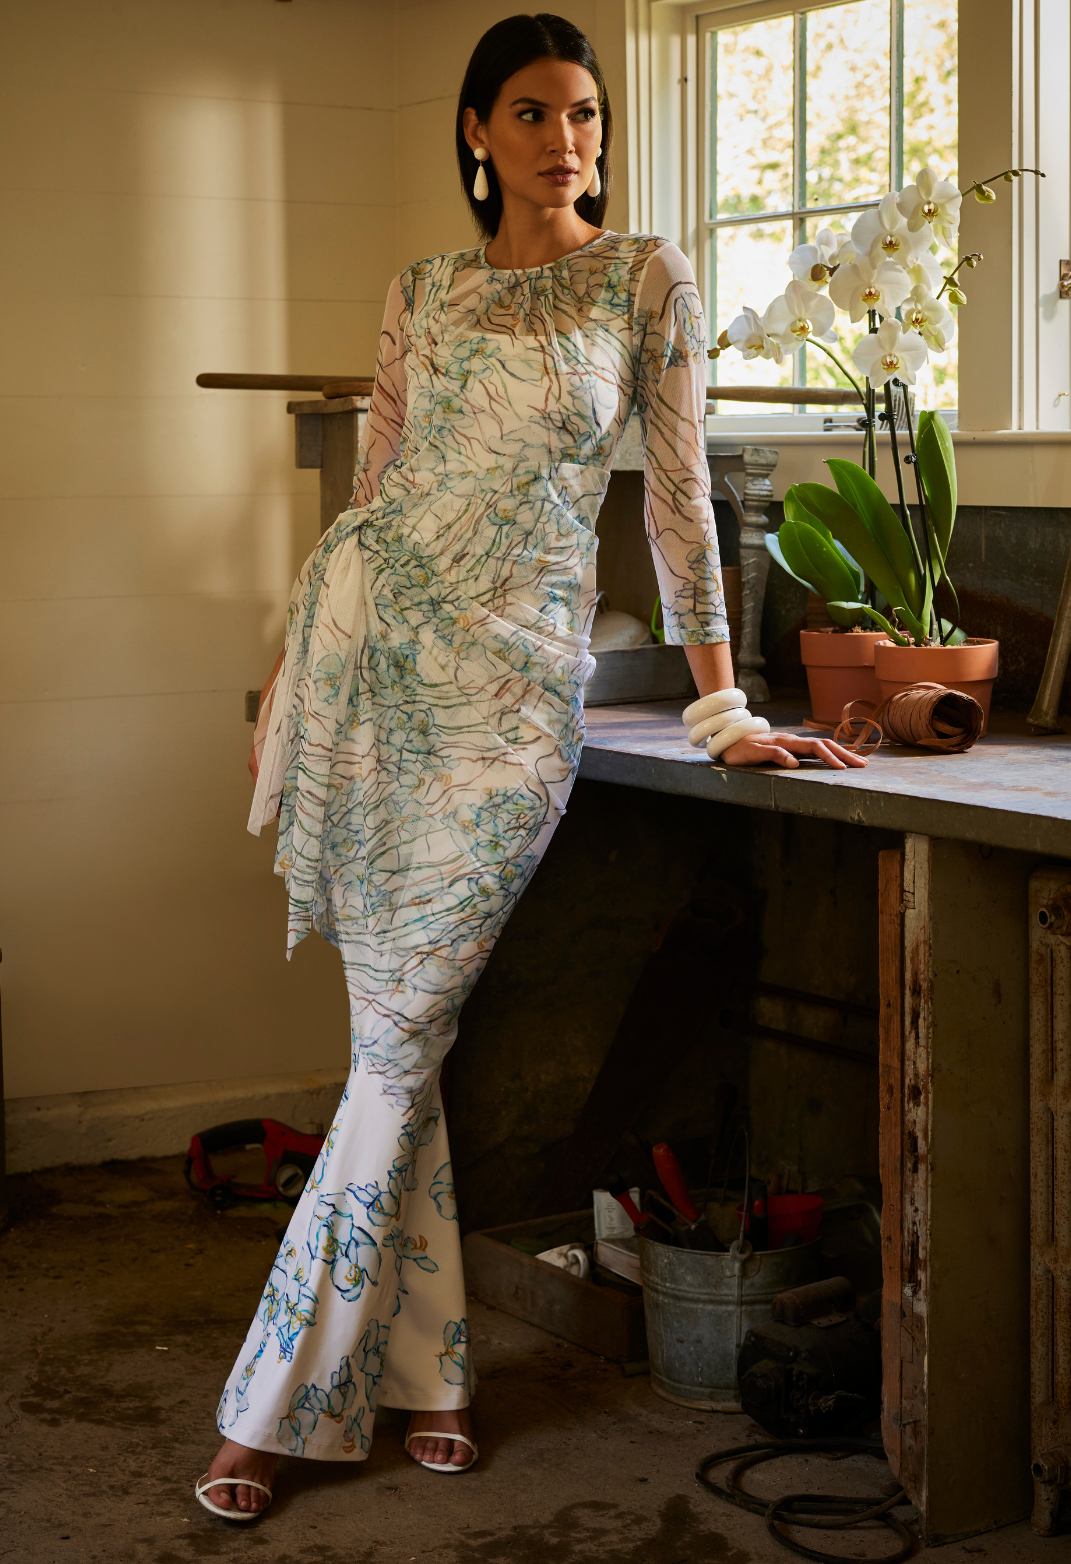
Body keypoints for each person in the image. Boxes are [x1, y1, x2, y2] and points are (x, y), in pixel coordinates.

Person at [196, 11, 865, 1522]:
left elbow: (684, 504)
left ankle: (269, 1405)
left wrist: (719, 706)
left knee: (395, 1036)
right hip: (376, 668)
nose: (569, 138)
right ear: (478, 134)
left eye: (586, 112)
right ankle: (432, 1372)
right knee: (400, 1041)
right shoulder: (422, 290)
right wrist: (298, 672)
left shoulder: (647, 277)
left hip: (507, 707)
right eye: (534, 112)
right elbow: (367, 500)